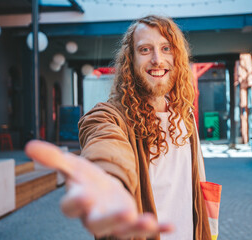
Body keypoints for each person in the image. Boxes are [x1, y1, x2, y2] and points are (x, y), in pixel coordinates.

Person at [25, 15, 210, 240]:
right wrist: (108, 179)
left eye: (166, 48)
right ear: (130, 60)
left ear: (177, 56)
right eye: (144, 50)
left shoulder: (185, 115)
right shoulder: (110, 117)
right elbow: (105, 143)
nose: (157, 59)